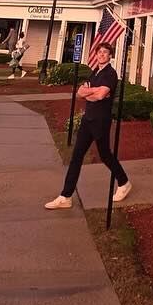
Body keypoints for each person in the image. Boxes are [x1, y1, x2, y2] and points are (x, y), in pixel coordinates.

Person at [44, 41, 130, 209]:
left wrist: (91, 92)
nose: (102, 55)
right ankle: (66, 196)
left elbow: (100, 95)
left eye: (105, 52)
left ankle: (124, 182)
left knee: (105, 155)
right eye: (99, 52)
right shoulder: (95, 72)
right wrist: (92, 92)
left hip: (101, 121)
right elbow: (80, 93)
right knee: (76, 156)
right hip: (87, 120)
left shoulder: (110, 74)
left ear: (110, 55)